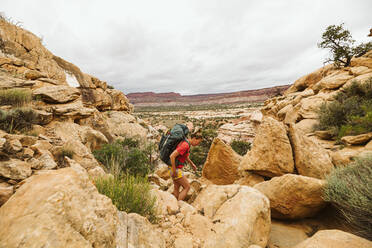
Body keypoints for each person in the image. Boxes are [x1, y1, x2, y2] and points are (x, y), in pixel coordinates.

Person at [169, 128, 203, 201]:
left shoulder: (186, 143)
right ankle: (179, 205)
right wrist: (174, 170)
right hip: (176, 169)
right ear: (194, 138)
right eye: (198, 142)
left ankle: (174, 205)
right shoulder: (185, 145)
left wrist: (192, 164)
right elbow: (172, 156)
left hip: (172, 169)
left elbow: (185, 156)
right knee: (187, 187)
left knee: (176, 187)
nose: (197, 144)